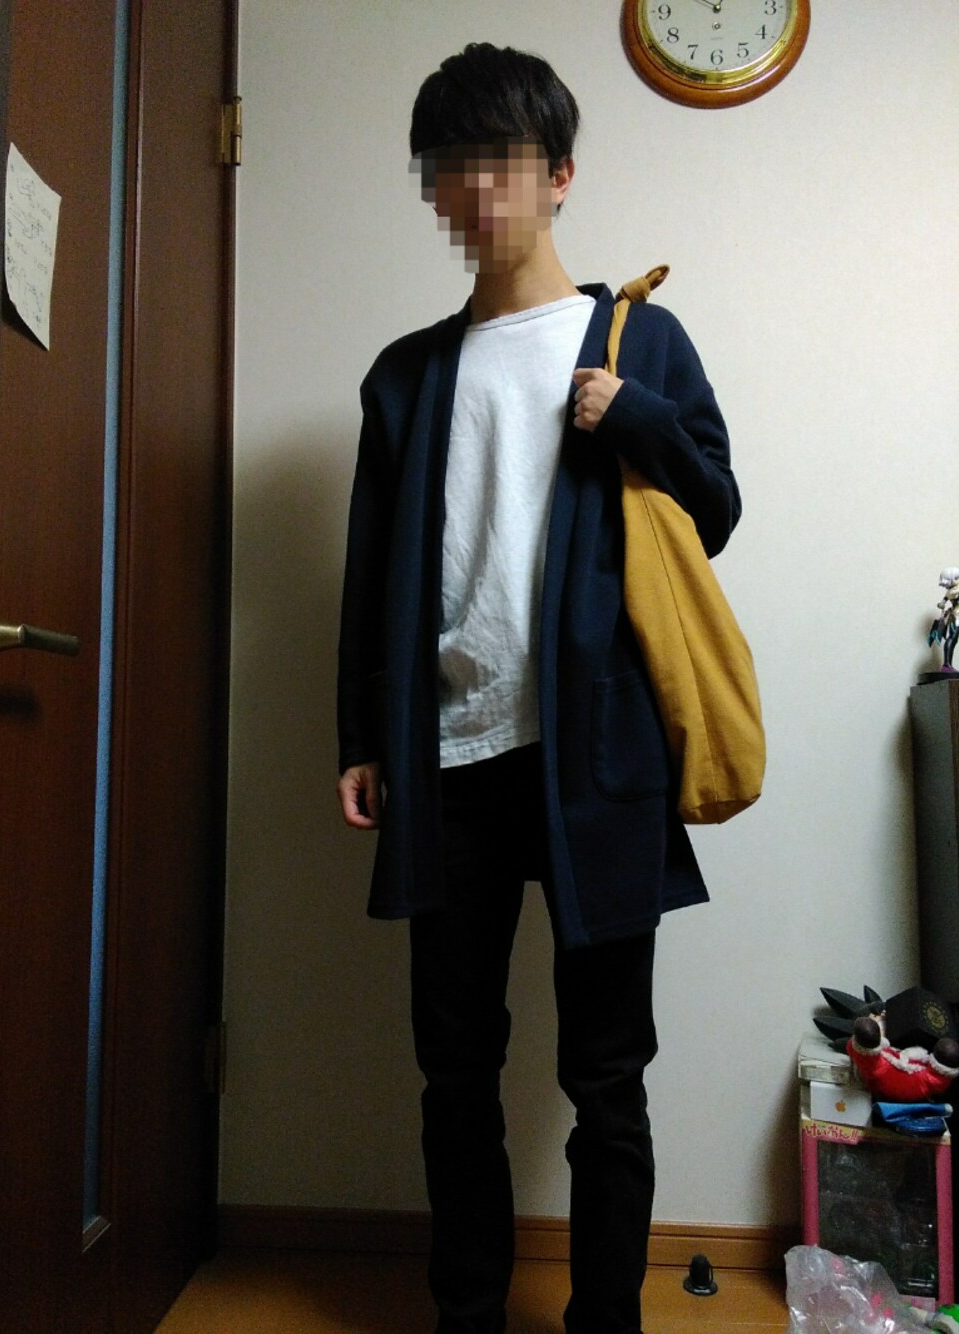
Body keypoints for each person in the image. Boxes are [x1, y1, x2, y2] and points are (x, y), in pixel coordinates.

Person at [336, 42, 740, 1334]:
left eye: (498, 162)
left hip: (600, 756)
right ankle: (466, 1311)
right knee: (454, 1071)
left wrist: (635, 416)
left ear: (559, 174)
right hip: (448, 757)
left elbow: (717, 511)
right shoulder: (406, 374)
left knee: (607, 1078)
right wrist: (362, 732)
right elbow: (369, 571)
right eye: (449, 166)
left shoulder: (641, 338)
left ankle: (605, 1320)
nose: (473, 190)